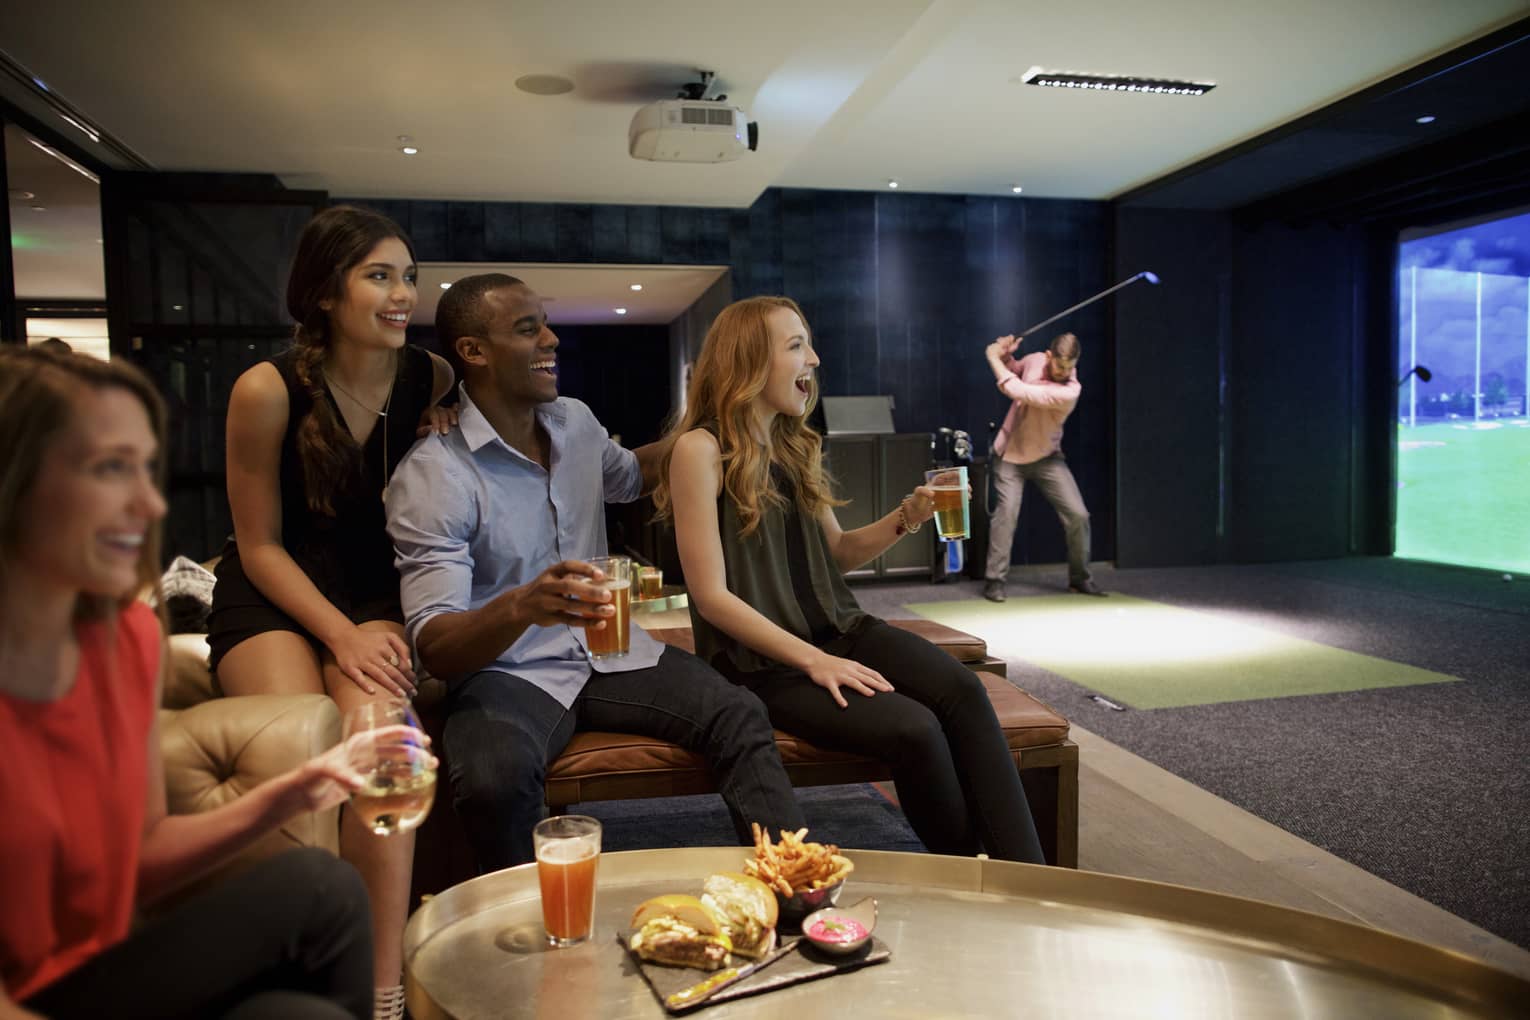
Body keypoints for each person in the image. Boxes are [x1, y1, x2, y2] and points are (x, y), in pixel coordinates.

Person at [0, 346, 404, 1020]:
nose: (150, 501)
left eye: (145, 467)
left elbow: (143, 858)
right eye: (110, 469)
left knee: (321, 890)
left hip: (92, 973)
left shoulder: (123, 638)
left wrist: (298, 791)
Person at [385, 273, 806, 871]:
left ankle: (798, 889)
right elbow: (436, 648)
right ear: (473, 352)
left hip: (614, 653)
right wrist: (524, 605)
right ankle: (528, 936)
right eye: (528, 330)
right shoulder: (434, 475)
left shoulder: (575, 422)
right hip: (509, 673)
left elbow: (632, 475)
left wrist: (719, 420)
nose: (552, 339)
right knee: (492, 779)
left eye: (546, 324)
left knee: (739, 715)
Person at [654, 296, 1046, 864]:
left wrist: (910, 515)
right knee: (915, 729)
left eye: (808, 344)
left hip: (840, 627)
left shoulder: (794, 443)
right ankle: (967, 873)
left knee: (962, 690)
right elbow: (710, 597)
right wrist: (813, 661)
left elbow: (834, 554)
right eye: (795, 346)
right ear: (747, 360)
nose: (813, 358)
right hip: (764, 664)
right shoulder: (700, 449)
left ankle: (1028, 875)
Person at [205, 205, 455, 1019]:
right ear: (323, 293)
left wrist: (444, 427)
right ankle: (294, 978)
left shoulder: (431, 376)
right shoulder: (266, 389)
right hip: (272, 595)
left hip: (371, 596)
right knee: (297, 744)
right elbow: (259, 544)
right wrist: (339, 637)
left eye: (408, 276)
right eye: (378, 275)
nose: (402, 294)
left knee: (385, 752)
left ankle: (378, 992)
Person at [981, 331, 1104, 602]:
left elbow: (1017, 390)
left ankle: (1080, 578)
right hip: (1010, 454)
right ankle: (994, 580)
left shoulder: (1070, 391)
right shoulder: (1035, 360)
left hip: (1047, 457)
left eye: (1071, 367)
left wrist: (991, 357)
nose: (1065, 372)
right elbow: (1012, 371)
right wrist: (1006, 354)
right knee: (1007, 515)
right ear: (1049, 356)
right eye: (1060, 366)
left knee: (1078, 515)